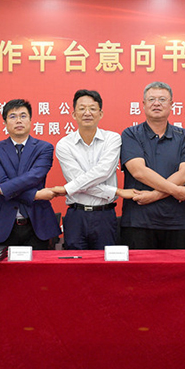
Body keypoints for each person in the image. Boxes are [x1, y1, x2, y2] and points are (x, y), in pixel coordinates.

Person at [118, 81, 185, 249]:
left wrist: (153, 196)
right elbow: (139, 172)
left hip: (176, 221)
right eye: (151, 99)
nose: (157, 103)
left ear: (171, 104)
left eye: (162, 99)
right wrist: (175, 191)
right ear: (143, 104)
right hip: (138, 221)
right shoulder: (131, 134)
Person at [0, 99, 61, 249]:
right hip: (4, 224)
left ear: (30, 120)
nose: (18, 120)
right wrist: (35, 195)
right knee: (3, 265)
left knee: (40, 265)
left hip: (38, 223)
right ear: (5, 122)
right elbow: (0, 180)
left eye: (23, 116)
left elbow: (34, 177)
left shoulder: (44, 148)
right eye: (13, 116)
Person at [50, 89, 124, 250]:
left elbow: (103, 171)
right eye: (82, 108)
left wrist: (68, 188)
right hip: (76, 215)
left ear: (101, 113)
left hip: (105, 215)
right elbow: (75, 180)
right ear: (74, 114)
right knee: (75, 263)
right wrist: (115, 191)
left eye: (92, 108)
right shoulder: (64, 144)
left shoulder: (112, 139)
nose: (87, 113)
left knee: (106, 262)